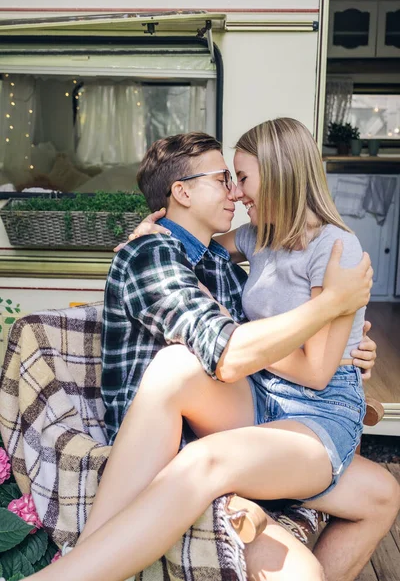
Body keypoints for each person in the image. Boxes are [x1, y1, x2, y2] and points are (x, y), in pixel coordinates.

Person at [27, 131, 399, 581]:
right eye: (225, 178)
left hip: (269, 412)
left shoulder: (221, 259)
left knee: (383, 493)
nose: (235, 192)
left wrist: (345, 345)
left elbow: (294, 345)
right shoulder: (155, 254)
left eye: (238, 178)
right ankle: (83, 562)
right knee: (179, 365)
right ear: (182, 191)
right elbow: (229, 353)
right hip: (171, 442)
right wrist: (331, 307)